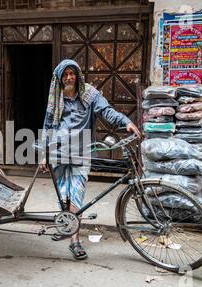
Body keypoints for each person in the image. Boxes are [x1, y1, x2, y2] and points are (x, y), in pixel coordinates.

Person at [39, 59, 142, 260]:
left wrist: (126, 122)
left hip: (81, 150)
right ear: (60, 78)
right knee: (63, 193)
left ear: (78, 75)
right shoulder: (56, 97)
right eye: (65, 74)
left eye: (72, 73)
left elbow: (106, 111)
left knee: (76, 193)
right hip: (58, 152)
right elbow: (48, 125)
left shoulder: (90, 94)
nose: (69, 77)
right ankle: (65, 226)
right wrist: (44, 153)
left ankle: (74, 240)